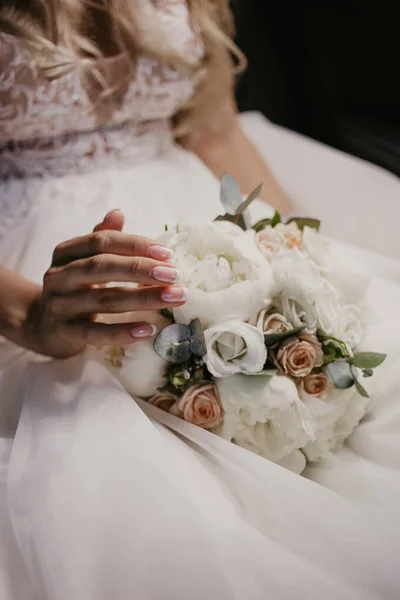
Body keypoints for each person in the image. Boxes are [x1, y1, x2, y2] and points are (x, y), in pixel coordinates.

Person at [0, 1, 399, 599]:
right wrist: (26, 316)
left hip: (203, 220)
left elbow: (214, 128)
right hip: (27, 261)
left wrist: (297, 266)